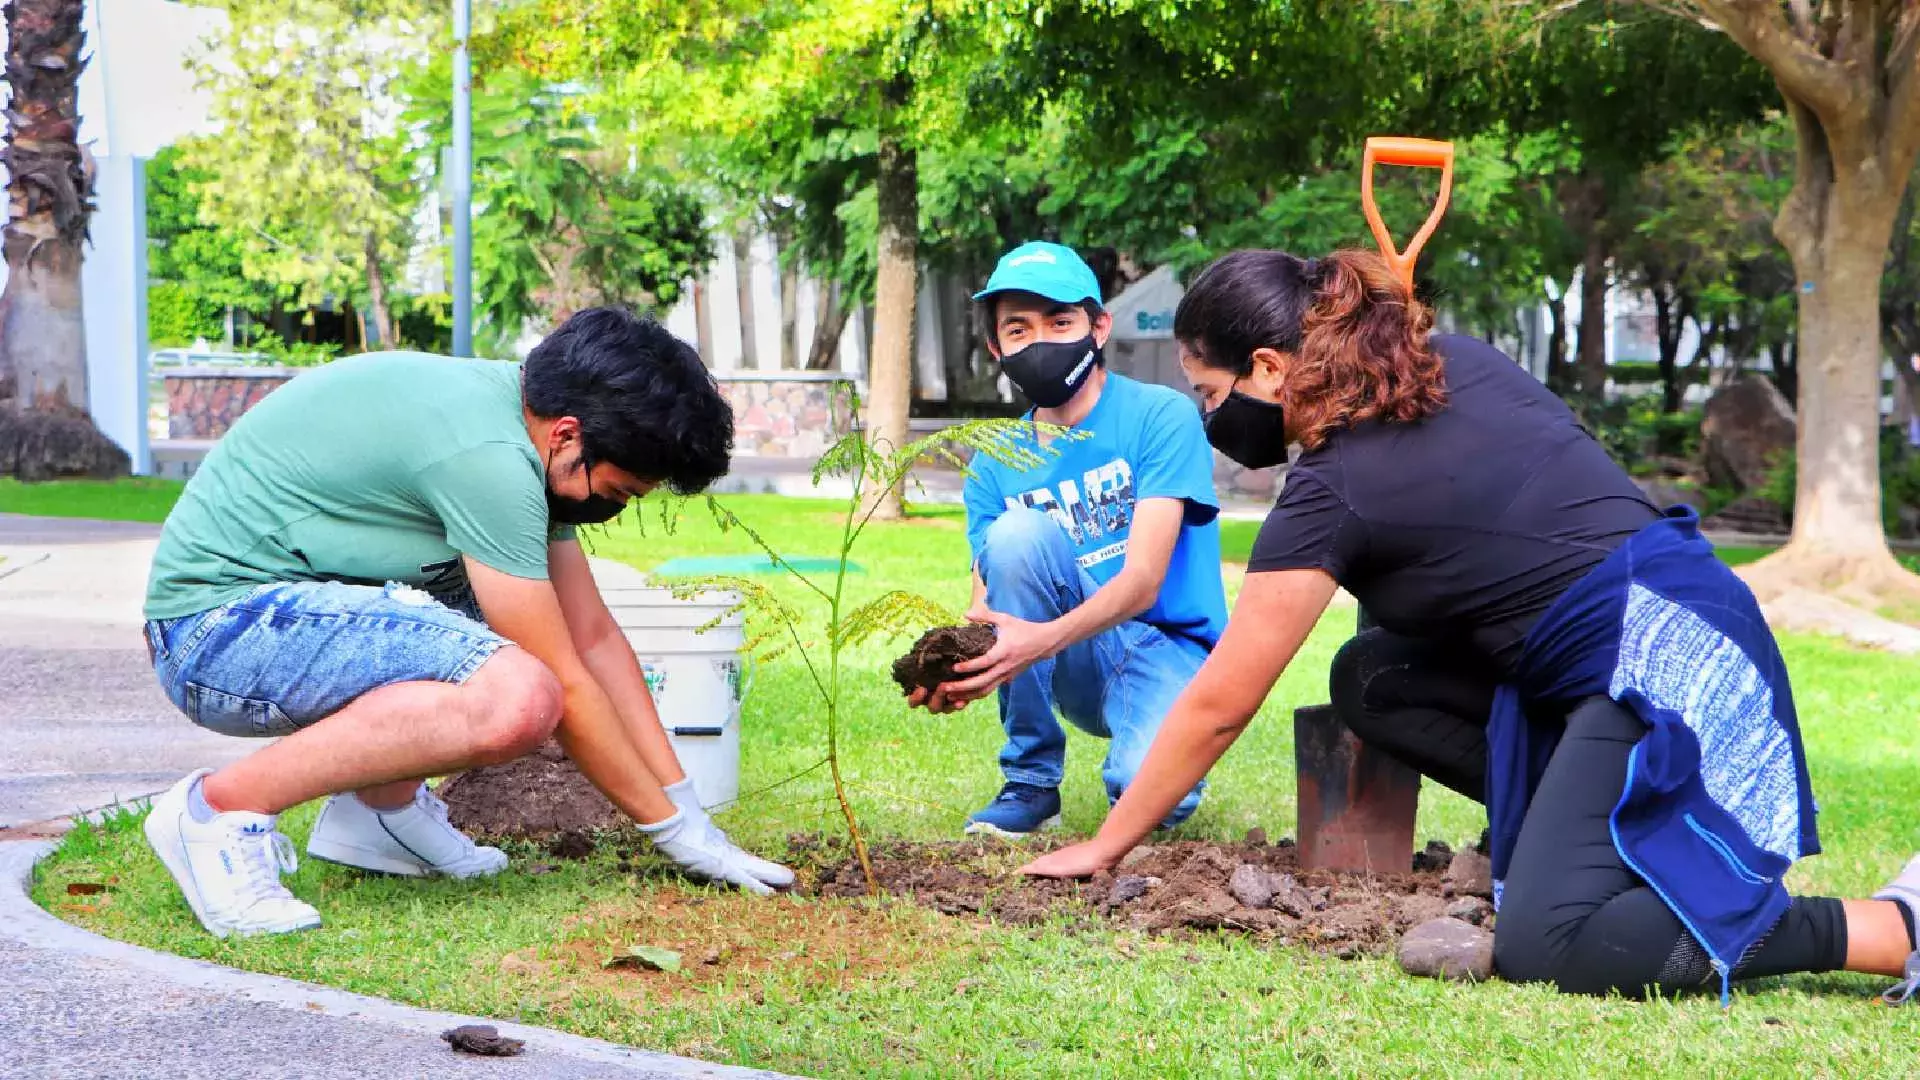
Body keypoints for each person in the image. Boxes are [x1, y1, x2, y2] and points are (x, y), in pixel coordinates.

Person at [1022, 248, 1920, 1004]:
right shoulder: (1457, 360)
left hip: (1665, 663)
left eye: (1210, 393)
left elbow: (1221, 702)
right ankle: (1563, 850)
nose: (1214, 420)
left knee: (1551, 946)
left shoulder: (1329, 493)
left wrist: (1106, 845)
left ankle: (1886, 926)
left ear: (1267, 369)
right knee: (1374, 678)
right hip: (1664, 632)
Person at [141, 307, 793, 939]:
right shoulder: (489, 458)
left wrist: (686, 807)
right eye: (617, 493)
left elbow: (592, 636)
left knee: (514, 629)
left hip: (288, 607)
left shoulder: (530, 434)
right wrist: (673, 834)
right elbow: (566, 682)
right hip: (215, 628)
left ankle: (381, 815)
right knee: (517, 695)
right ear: (568, 434)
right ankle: (214, 812)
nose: (612, 510)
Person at [906, 241, 1229, 837]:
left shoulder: (1161, 416)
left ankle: (1154, 758)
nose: (1042, 341)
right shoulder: (994, 464)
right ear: (996, 347)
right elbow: (990, 602)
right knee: (1017, 531)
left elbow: (1143, 582)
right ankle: (1030, 782)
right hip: (1077, 660)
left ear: (1098, 326)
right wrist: (963, 666)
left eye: (1061, 322)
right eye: (1019, 329)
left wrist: (1032, 643)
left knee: (1152, 800)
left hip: (1170, 649)